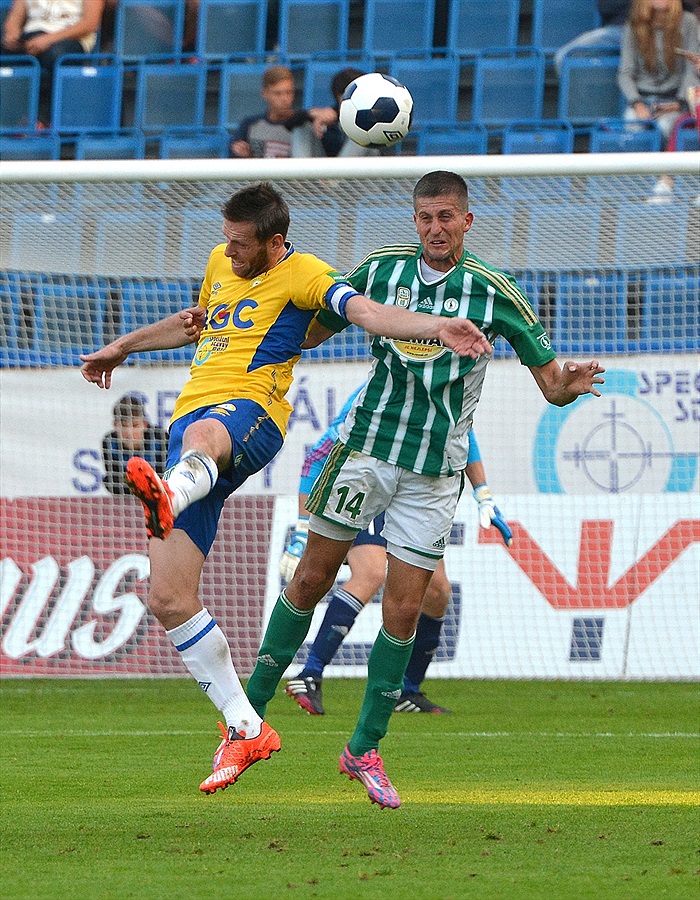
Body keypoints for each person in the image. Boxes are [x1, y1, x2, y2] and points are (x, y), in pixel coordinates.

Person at [79, 180, 492, 797]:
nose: (229, 250)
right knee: (166, 596)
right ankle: (246, 727)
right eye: (226, 240)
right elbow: (196, 323)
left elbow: (366, 313)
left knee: (208, 439)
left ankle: (172, 490)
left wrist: (437, 327)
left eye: (241, 243)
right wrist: (122, 346)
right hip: (190, 428)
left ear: (274, 243)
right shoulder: (223, 263)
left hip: (248, 417)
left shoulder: (304, 273)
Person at [244, 170, 605, 809]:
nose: (436, 229)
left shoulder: (496, 294)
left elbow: (548, 382)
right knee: (309, 580)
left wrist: (568, 381)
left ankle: (363, 749)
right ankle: (245, 720)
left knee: (405, 609)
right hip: (365, 454)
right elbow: (312, 331)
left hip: (436, 473)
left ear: (467, 221)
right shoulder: (380, 272)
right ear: (415, 222)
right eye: (425, 218)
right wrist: (243, 329)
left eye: (447, 218)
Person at [281, 385, 512, 716]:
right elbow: (317, 455)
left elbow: (464, 437)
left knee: (437, 591)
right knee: (371, 572)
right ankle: (310, 673)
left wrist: (484, 494)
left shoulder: (449, 390)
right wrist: (303, 527)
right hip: (368, 486)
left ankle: (408, 690)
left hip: (413, 497)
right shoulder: (376, 394)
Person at [618, 0, 700, 200]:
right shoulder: (633, 25)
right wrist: (637, 103)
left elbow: (692, 71)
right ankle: (637, 189)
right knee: (632, 128)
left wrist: (679, 103)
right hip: (642, 99)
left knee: (666, 126)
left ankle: (664, 183)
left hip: (674, 99)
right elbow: (625, 73)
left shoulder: (688, 22)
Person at [1, 0, 104, 124]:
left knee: (56, 56)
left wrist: (48, 40)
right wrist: (12, 32)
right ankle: (11, 120)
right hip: (32, 36)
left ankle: (43, 121)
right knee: (7, 52)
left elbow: (90, 23)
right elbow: (15, 17)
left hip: (69, 38)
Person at [229, 64, 337, 159]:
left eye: (289, 92)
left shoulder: (305, 124)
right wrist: (246, 156)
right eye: (278, 93)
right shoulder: (251, 125)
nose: (285, 99)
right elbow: (233, 156)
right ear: (264, 94)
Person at [102, 394, 168, 496]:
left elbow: (167, 473)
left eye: (135, 425)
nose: (129, 433)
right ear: (115, 425)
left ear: (145, 424)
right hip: (128, 492)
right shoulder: (110, 442)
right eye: (123, 426)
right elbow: (114, 478)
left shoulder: (160, 438)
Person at [320, 67, 380, 158]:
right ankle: (301, 171)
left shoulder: (373, 116)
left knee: (363, 134)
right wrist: (310, 115)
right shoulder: (329, 116)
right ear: (339, 96)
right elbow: (292, 120)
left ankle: (341, 172)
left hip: (364, 169)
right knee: (303, 128)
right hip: (325, 167)